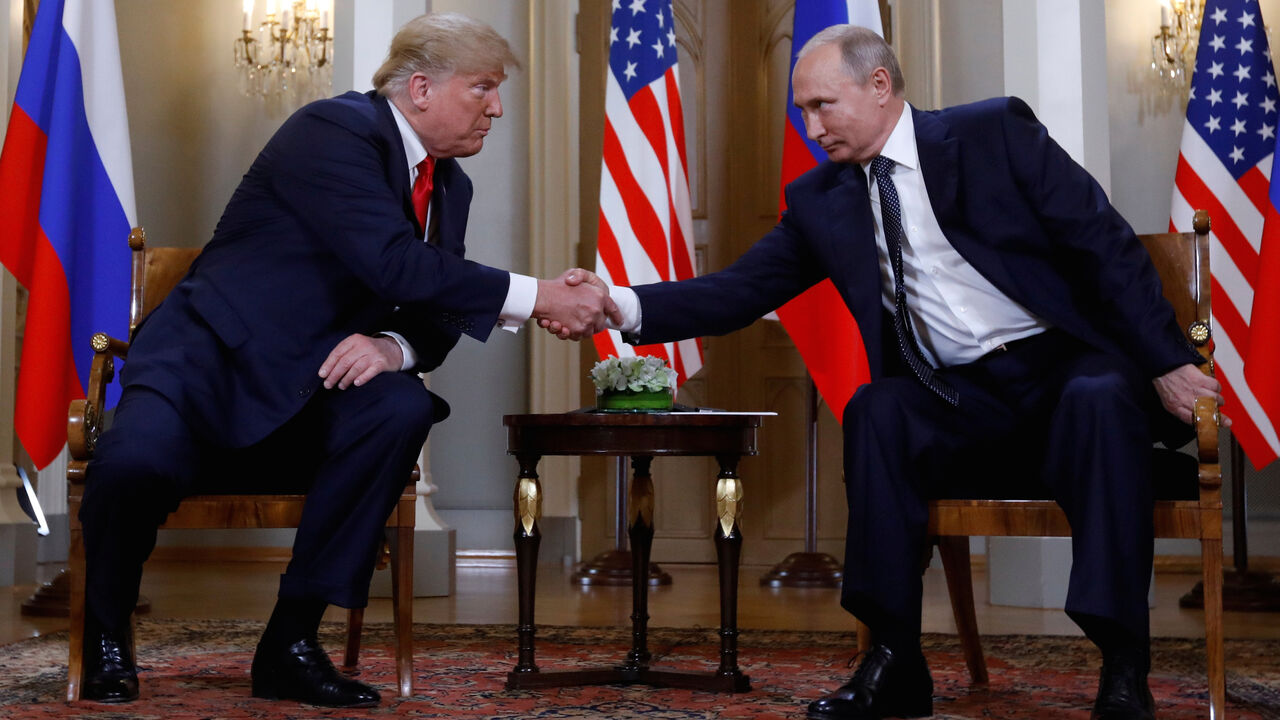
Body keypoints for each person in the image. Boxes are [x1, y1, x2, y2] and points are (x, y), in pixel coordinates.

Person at [555, 25, 1225, 720]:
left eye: (822, 106)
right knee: (878, 408)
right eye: (803, 112)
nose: (811, 127)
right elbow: (737, 292)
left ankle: (1122, 665)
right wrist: (616, 303)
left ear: (880, 87)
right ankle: (895, 659)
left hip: (1063, 372)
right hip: (961, 398)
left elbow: (1103, 244)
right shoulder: (822, 199)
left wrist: (1168, 361)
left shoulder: (992, 134)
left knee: (1099, 396)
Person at [78, 12, 615, 708]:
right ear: (420, 88)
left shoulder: (449, 185)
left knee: (400, 405)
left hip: (311, 388)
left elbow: (437, 301)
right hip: (208, 368)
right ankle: (105, 635)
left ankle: (291, 643)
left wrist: (393, 346)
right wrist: (538, 293)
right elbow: (396, 265)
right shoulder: (333, 132)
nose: (497, 107)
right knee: (133, 465)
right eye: (482, 88)